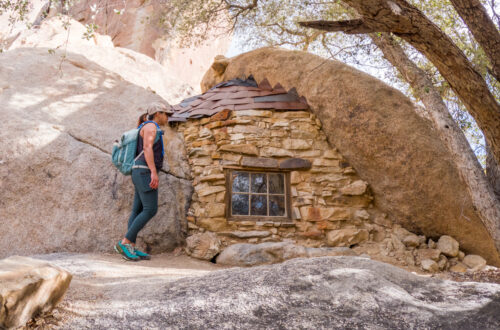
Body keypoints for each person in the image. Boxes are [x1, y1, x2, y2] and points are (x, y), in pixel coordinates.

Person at [114, 102, 169, 261]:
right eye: (166, 114)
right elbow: (147, 148)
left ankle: (130, 245)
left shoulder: (146, 126)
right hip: (144, 171)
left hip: (139, 171)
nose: (167, 117)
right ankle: (124, 243)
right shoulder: (151, 127)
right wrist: (153, 171)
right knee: (150, 209)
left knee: (137, 210)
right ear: (158, 113)